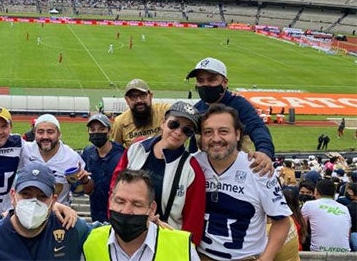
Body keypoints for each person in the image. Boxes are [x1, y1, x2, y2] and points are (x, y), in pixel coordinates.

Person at [195, 103, 291, 260]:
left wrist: (265, 258)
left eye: (224, 131)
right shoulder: (193, 164)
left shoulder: (258, 169)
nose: (216, 138)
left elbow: (282, 221)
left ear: (238, 134)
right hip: (201, 255)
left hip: (244, 257)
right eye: (208, 132)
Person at [111, 101, 205, 246]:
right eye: (174, 124)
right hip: (126, 234)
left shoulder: (192, 169)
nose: (178, 132)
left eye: (187, 130)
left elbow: (194, 221)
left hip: (166, 243)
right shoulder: (137, 148)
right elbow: (115, 188)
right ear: (162, 123)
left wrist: (185, 249)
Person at [0, 163, 93, 260]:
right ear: (13, 196)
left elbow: (107, 235)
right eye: (26, 194)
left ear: (54, 200)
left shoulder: (70, 228)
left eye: (42, 196)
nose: (33, 202)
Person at [82, 169, 199, 261]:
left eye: (137, 204)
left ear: (152, 209)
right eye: (120, 202)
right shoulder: (91, 242)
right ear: (111, 202)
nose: (127, 211)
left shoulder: (182, 247)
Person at [186, 57, 275, 175]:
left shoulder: (239, 104)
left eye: (212, 80)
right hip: (206, 172)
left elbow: (257, 127)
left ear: (225, 82)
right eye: (200, 81)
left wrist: (264, 151)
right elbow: (193, 142)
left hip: (237, 172)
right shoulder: (197, 108)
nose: (205, 85)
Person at [21, 114, 87, 205]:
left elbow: (86, 190)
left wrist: (84, 180)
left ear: (59, 134)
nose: (45, 137)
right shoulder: (24, 150)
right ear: (34, 133)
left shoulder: (71, 157)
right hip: (28, 211)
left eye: (50, 132)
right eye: (40, 132)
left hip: (58, 213)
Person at [81, 113, 124, 223]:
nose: (96, 133)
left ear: (109, 131)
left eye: (101, 129)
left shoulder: (121, 155)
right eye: (92, 129)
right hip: (96, 211)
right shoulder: (87, 153)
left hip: (117, 211)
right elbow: (86, 189)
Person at [111, 78, 170, 148]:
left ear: (150, 96)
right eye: (133, 97)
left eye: (143, 95)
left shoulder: (164, 111)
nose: (139, 100)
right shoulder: (120, 122)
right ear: (127, 100)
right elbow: (116, 151)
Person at [301, 178, 351, 252]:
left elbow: (301, 229)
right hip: (344, 252)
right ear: (334, 194)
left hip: (318, 252)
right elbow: (348, 234)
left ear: (316, 192)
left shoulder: (309, 204)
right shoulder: (344, 209)